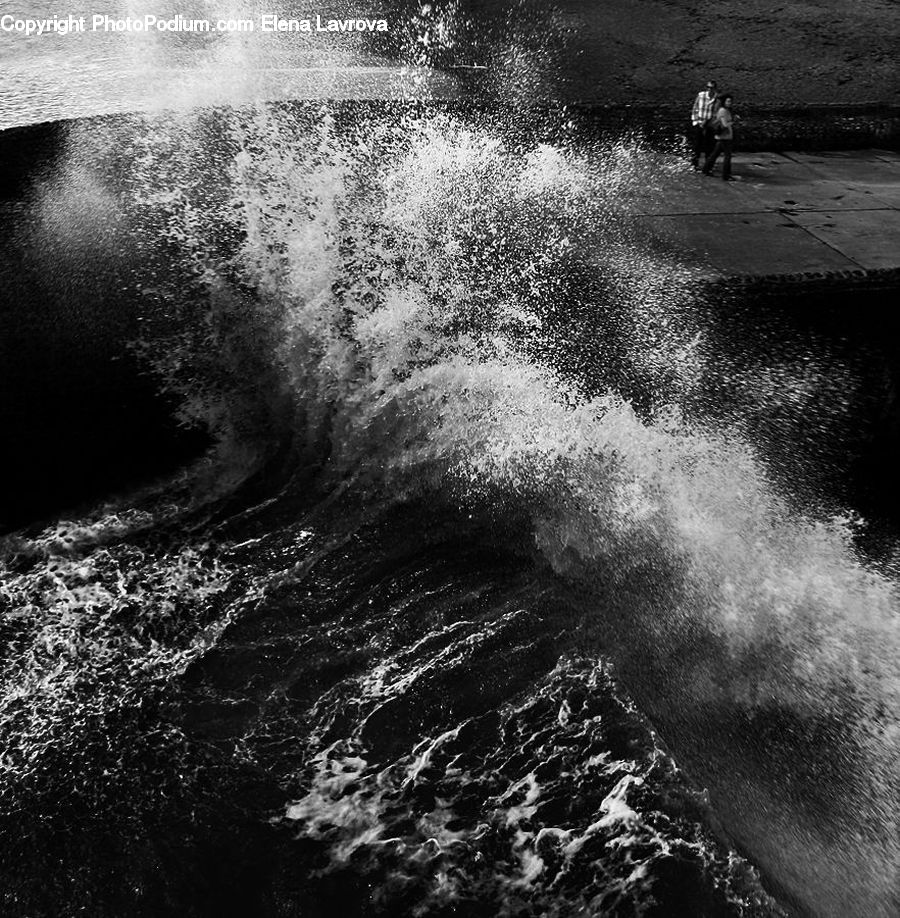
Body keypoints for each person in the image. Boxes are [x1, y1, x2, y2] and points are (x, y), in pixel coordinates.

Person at [702, 94, 736, 181]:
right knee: (727, 156)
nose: (730, 103)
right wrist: (734, 122)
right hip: (724, 137)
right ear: (724, 102)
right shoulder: (722, 111)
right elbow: (724, 125)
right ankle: (726, 175)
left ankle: (706, 170)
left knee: (714, 155)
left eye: (731, 101)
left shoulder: (727, 110)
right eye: (728, 101)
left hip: (725, 137)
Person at [690, 80, 717, 170]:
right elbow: (695, 107)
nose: (709, 89)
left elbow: (715, 112)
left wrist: (709, 121)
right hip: (699, 122)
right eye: (708, 87)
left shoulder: (716, 98)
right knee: (697, 145)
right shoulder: (701, 95)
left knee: (709, 146)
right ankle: (694, 165)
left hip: (710, 124)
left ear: (714, 89)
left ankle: (707, 165)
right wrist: (696, 121)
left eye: (711, 88)